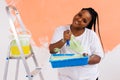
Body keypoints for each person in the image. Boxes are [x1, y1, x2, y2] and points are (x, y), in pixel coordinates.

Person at [49, 7, 104, 80]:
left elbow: (98, 57)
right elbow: (52, 50)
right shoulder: (60, 30)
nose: (79, 19)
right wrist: (64, 40)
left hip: (89, 77)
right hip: (66, 77)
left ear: (87, 24)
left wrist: (82, 59)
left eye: (84, 21)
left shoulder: (91, 35)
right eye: (79, 15)